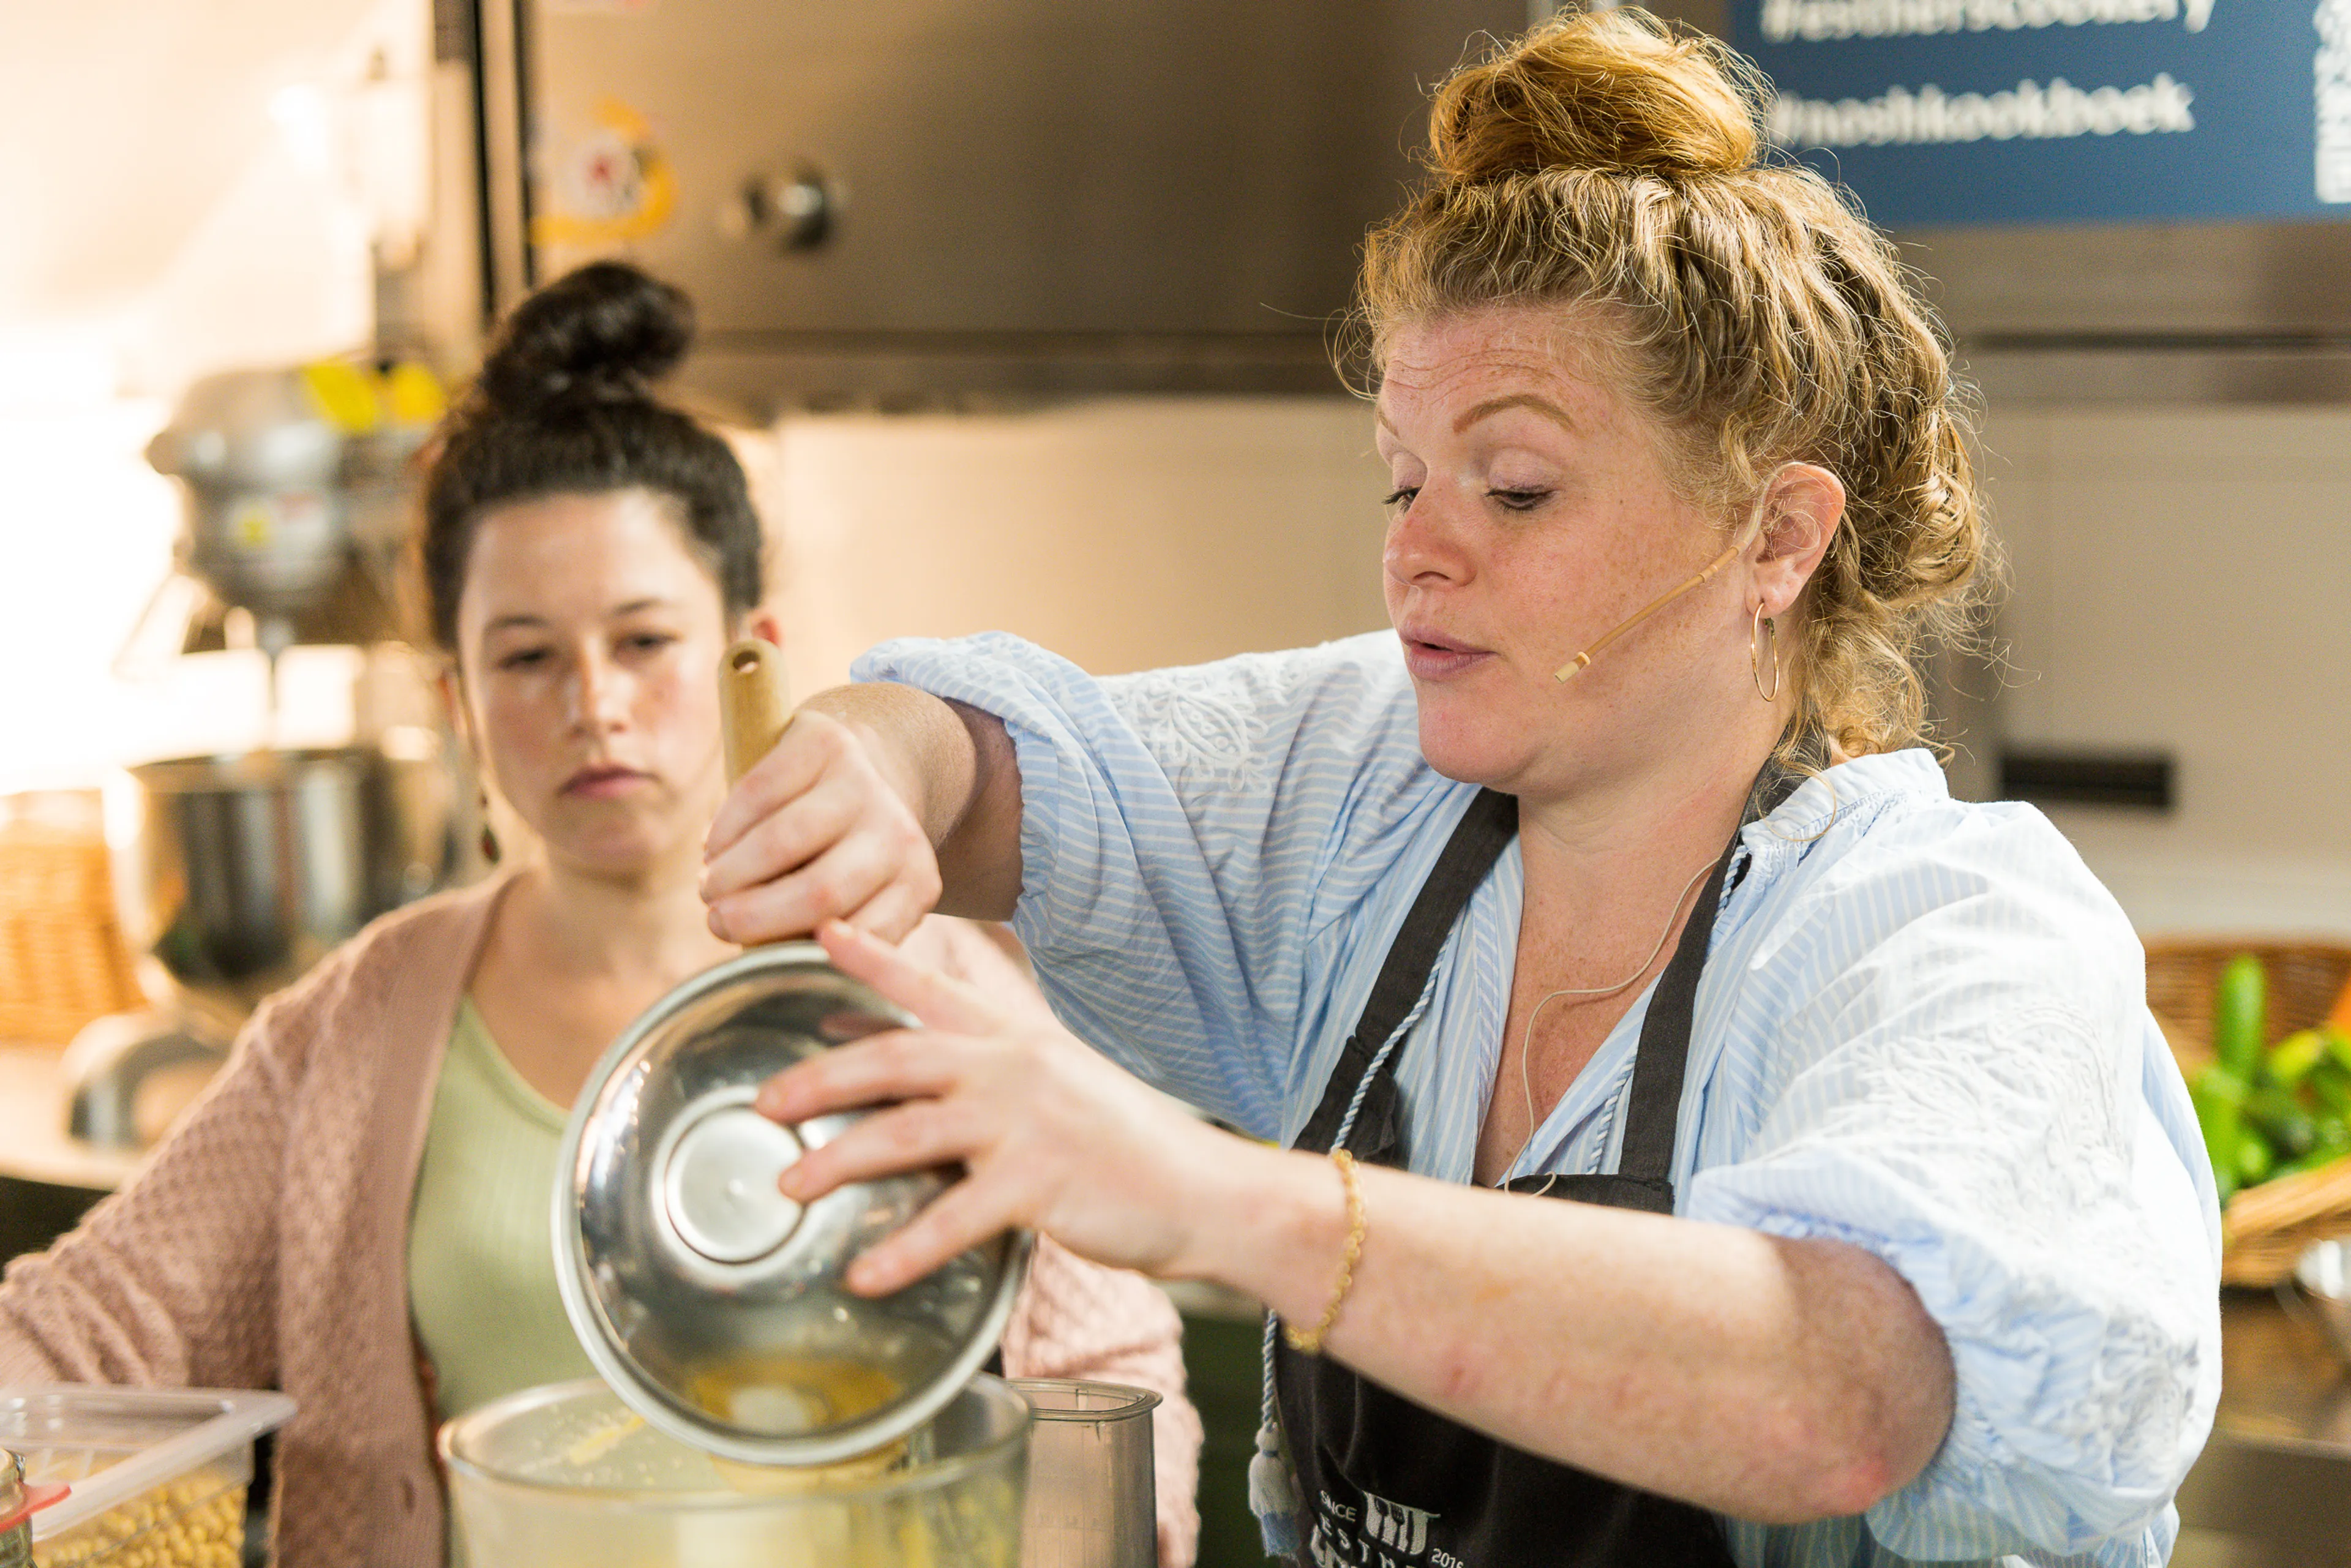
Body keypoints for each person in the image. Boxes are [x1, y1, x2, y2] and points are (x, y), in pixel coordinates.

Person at [694, 12, 2221, 1567]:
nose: (1418, 546)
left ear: (1776, 539)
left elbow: (1837, 1393)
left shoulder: (1955, 935)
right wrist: (880, 755)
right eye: (1404, 476)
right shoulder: (1379, 792)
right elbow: (1028, 766)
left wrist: (1208, 1194)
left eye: (1516, 486)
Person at [0, 263, 1201, 1568]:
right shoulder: (360, 1025)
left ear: (752, 648)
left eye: (643, 640)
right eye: (525, 656)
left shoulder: (932, 987)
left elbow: (1108, 1378)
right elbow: (86, 1331)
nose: (593, 702)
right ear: (455, 699)